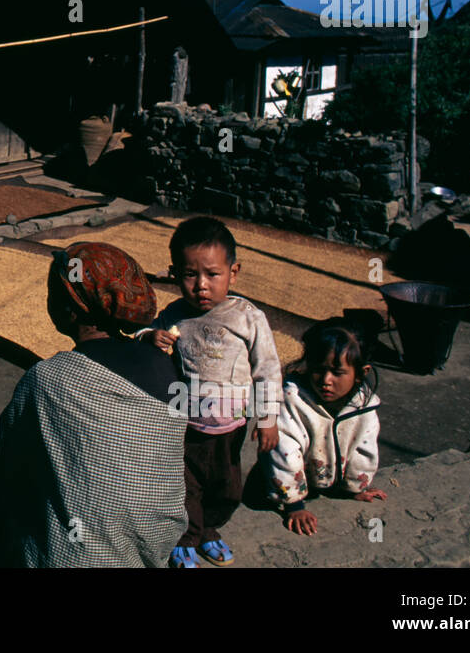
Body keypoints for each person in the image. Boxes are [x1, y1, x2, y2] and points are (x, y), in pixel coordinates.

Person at [0, 242, 187, 567]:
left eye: (53, 292)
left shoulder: (46, 380)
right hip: (150, 547)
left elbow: (10, 474)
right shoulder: (164, 366)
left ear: (71, 309)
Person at [139, 217, 281, 568]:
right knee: (187, 488)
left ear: (234, 273)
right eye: (190, 275)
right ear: (175, 274)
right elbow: (146, 333)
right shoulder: (174, 314)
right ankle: (186, 537)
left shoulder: (247, 318)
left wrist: (267, 418)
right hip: (184, 425)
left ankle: (208, 529)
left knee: (228, 489)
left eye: (212, 274)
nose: (201, 285)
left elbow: (267, 369)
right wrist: (148, 337)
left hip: (230, 429)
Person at [264, 320, 385, 536]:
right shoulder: (293, 399)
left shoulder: (364, 408)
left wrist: (355, 487)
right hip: (289, 481)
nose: (326, 381)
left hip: (329, 479)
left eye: (338, 373)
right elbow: (285, 452)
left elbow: (364, 450)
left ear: (361, 372)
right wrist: (294, 505)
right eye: (319, 370)